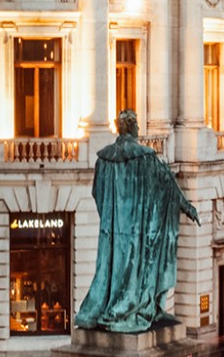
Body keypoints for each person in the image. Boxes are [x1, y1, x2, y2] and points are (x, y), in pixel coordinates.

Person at [75, 110, 200, 334]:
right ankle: (131, 308)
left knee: (108, 270)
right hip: (136, 233)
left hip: (111, 232)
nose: (139, 130)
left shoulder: (103, 158)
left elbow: (97, 192)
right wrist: (188, 208)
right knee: (134, 274)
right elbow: (167, 186)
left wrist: (111, 220)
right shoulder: (145, 157)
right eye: (138, 126)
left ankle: (105, 308)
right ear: (132, 128)